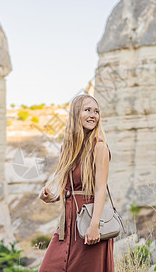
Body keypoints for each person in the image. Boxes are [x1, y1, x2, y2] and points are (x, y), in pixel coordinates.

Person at [38, 94, 114, 271]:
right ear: (75, 114)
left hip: (89, 222)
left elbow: (101, 189)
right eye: (87, 110)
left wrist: (94, 226)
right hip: (67, 225)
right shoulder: (67, 148)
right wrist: (53, 197)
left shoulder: (99, 147)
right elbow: (68, 187)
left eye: (96, 111)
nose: (93, 115)